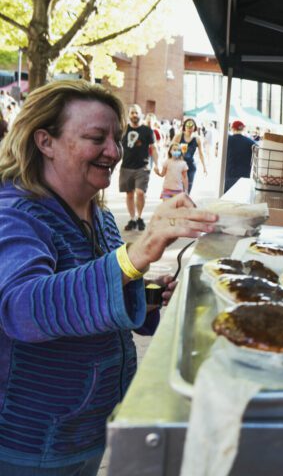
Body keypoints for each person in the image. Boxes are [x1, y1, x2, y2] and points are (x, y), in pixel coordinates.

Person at [0, 80, 218, 474]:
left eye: (115, 139)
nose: (114, 152)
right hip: (31, 443)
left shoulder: (99, 216)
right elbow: (23, 308)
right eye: (96, 138)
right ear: (45, 141)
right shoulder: (13, 214)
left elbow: (102, 301)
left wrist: (149, 296)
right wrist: (135, 256)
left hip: (89, 431)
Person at [119, 104, 158, 231]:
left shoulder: (147, 130)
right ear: (129, 115)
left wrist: (157, 164)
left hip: (143, 167)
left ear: (140, 114)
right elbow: (117, 146)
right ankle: (133, 219)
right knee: (129, 194)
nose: (134, 115)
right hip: (126, 167)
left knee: (140, 193)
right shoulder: (124, 130)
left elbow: (154, 148)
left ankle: (140, 217)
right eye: (132, 113)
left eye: (136, 112)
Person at [172, 118, 208, 194]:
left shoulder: (197, 139)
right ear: (184, 127)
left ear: (194, 127)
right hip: (179, 166)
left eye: (191, 126)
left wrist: (204, 167)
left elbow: (201, 153)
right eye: (187, 126)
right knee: (178, 189)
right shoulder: (179, 136)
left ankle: (184, 203)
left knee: (187, 190)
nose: (189, 128)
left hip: (191, 166)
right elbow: (171, 150)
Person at [224, 119, 256, 192]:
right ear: (243, 129)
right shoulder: (250, 142)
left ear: (232, 128)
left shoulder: (227, 140)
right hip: (244, 177)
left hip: (230, 175)